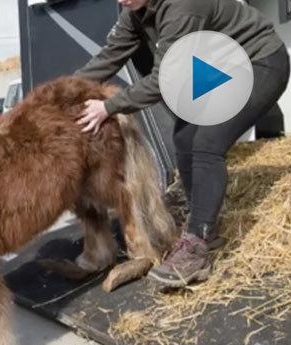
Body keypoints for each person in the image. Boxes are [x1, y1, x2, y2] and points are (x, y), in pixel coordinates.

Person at [74, 0, 289, 287]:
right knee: (185, 136)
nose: (119, 0)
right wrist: (64, 92)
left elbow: (166, 78)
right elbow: (109, 55)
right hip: (219, 65)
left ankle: (199, 244)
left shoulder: (183, 5)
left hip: (259, 60)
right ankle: (199, 209)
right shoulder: (134, 12)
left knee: (207, 141)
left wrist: (109, 106)